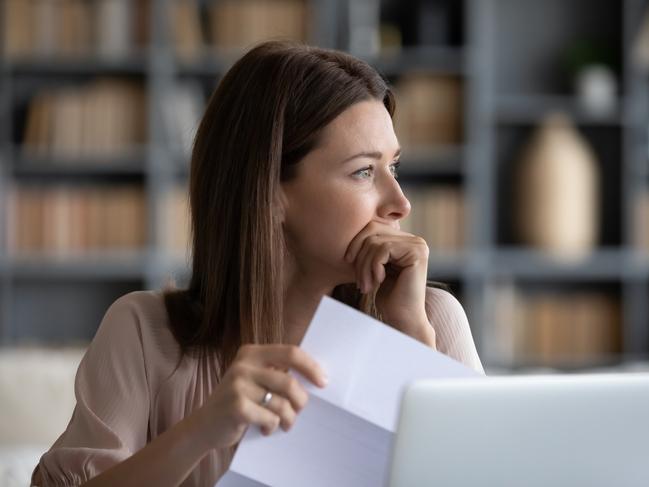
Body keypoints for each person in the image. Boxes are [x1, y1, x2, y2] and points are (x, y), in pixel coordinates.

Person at [31, 40, 484, 487]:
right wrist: (200, 432)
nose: (400, 203)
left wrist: (412, 347)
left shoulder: (434, 322)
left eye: (394, 167)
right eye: (364, 171)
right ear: (269, 192)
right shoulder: (143, 333)